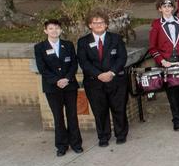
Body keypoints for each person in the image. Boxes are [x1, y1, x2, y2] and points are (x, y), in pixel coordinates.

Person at [77, 13, 129, 147]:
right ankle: (103, 136)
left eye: (101, 22)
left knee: (119, 108)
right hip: (94, 82)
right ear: (90, 25)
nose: (98, 25)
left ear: (106, 24)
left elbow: (122, 58)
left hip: (116, 80)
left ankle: (121, 134)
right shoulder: (83, 42)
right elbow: (84, 62)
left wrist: (111, 72)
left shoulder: (116, 39)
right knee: (100, 111)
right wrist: (99, 75)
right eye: (95, 22)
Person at [34, 19, 82, 156]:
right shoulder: (39, 48)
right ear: (45, 31)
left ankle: (76, 144)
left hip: (69, 86)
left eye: (56, 28)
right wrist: (57, 81)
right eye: (50, 28)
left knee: (72, 115)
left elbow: (74, 64)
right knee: (58, 117)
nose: (54, 31)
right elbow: (42, 68)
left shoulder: (68, 45)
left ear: (61, 30)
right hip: (52, 88)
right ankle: (61, 146)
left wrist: (67, 78)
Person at [148, 0, 179, 132]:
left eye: (170, 6)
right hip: (167, 63)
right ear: (160, 9)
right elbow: (153, 48)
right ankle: (176, 120)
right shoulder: (156, 25)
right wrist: (162, 61)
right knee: (172, 93)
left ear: (173, 8)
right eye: (164, 6)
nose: (167, 8)